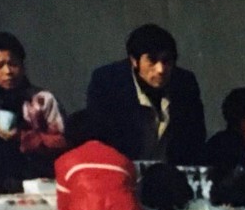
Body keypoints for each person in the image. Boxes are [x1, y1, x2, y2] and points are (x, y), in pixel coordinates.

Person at [84, 24, 207, 164]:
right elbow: (100, 139)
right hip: (122, 170)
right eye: (152, 60)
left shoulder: (184, 83)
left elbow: (195, 139)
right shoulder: (108, 82)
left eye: (166, 61)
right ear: (134, 61)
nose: (160, 69)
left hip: (170, 174)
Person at [0, 31, 67, 183]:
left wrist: (23, 137)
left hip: (38, 182)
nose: (8, 72)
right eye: (0, 66)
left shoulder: (42, 100)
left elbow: (63, 143)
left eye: (13, 64)